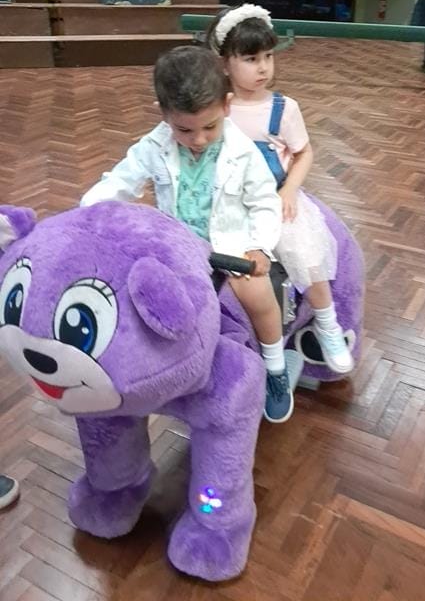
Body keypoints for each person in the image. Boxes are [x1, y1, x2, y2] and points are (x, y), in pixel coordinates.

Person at [81, 46, 302, 423]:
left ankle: (275, 366)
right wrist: (87, 214)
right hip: (178, 248)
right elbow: (119, 181)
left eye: (209, 127)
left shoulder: (242, 151)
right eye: (184, 129)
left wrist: (258, 246)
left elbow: (264, 202)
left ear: (227, 106)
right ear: (164, 113)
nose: (198, 139)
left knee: (258, 294)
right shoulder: (154, 145)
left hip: (231, 248)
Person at [206, 5, 354, 376]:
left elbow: (304, 153)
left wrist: (289, 189)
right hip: (231, 201)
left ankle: (328, 323)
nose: (263, 68)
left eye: (268, 57)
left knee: (305, 250)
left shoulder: (283, 108)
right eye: (251, 59)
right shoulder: (218, 107)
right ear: (225, 63)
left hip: (275, 198)